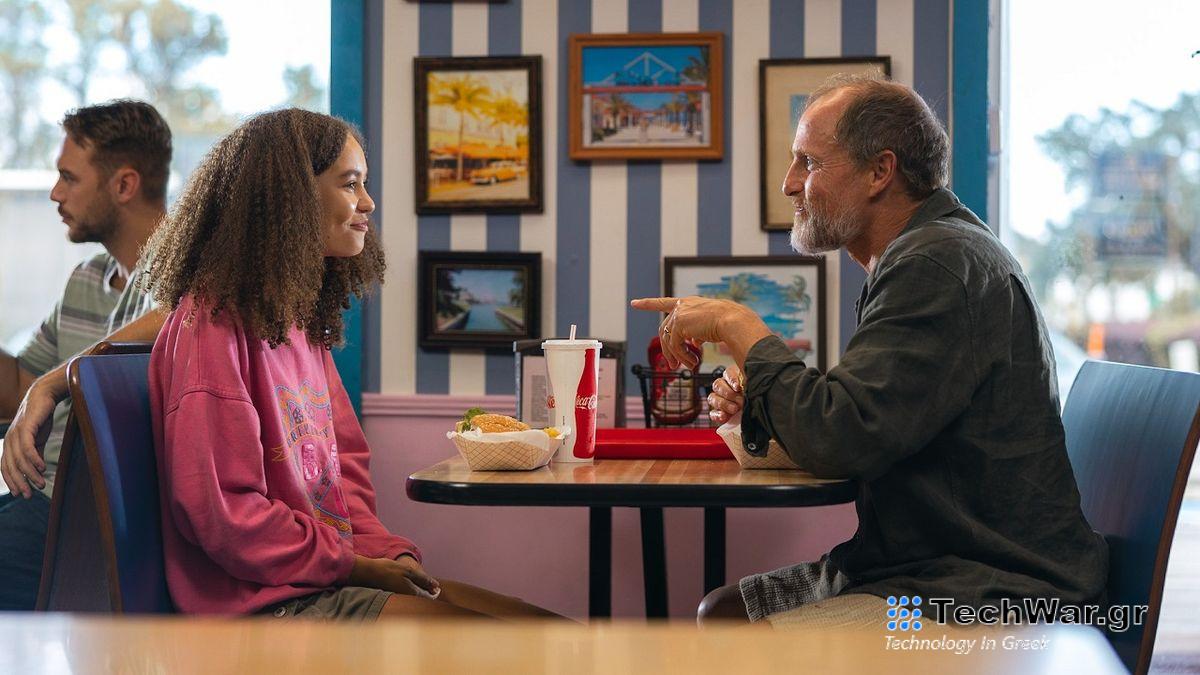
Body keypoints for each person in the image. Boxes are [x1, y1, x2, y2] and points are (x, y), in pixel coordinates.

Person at [632, 75, 1108, 628]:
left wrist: (739, 324)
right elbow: (867, 420)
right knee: (723, 612)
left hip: (985, 589)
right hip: (933, 567)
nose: (789, 184)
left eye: (808, 163)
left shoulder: (935, 265)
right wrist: (767, 400)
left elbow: (841, 438)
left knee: (738, 627)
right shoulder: (929, 253)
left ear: (880, 171)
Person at [142, 108, 556, 620]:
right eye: (350, 184)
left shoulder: (296, 321)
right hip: (264, 606)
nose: (368, 202)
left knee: (551, 634)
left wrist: (384, 553)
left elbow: (345, 475)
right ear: (290, 199)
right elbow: (223, 515)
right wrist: (353, 565)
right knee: (523, 651)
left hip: (328, 578)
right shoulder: (212, 326)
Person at [0, 100, 172, 610]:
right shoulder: (86, 279)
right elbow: (17, 392)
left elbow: (190, 310)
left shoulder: (187, 281)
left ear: (123, 185)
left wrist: (55, 382)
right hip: (37, 506)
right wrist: (41, 386)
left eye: (68, 179)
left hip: (93, 525)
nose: (55, 193)